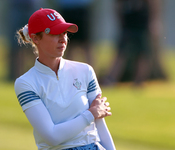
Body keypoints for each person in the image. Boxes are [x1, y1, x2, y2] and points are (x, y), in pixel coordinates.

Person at [14, 8, 116, 150]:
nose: (63, 39)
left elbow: (100, 126)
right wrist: (91, 114)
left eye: (64, 33)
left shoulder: (85, 70)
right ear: (36, 38)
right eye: (55, 33)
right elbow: (52, 137)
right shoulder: (26, 83)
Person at [101, 0, 166, 86]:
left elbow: (153, 4)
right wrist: (121, 21)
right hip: (128, 24)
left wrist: (154, 21)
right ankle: (111, 79)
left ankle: (139, 80)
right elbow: (118, 6)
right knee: (121, 52)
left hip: (142, 24)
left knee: (143, 53)